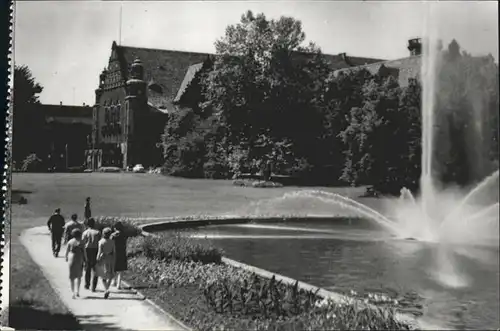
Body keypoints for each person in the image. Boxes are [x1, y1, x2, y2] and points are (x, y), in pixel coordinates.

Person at [65, 228, 86, 299]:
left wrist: (66, 257)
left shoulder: (70, 241)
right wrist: (86, 259)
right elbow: (84, 252)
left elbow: (67, 251)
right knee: (79, 276)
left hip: (71, 258)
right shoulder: (82, 242)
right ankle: (78, 291)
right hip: (79, 258)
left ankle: (72, 292)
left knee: (72, 277)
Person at [82, 218, 100, 292]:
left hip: (87, 250)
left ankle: (87, 284)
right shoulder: (98, 232)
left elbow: (83, 243)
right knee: (95, 269)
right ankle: (94, 286)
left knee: (87, 268)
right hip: (96, 250)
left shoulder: (85, 232)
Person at [96, 227, 115, 299]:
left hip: (103, 258)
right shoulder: (112, 242)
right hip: (110, 258)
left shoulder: (101, 242)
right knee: (110, 275)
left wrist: (97, 259)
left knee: (103, 276)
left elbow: (99, 252)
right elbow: (114, 252)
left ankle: (106, 289)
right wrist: (114, 259)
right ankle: (107, 288)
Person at [111, 222, 128, 290]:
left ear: (115, 228)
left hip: (115, 252)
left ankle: (113, 281)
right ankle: (119, 284)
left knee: (114, 268)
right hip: (122, 252)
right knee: (120, 270)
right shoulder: (124, 235)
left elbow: (111, 244)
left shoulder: (113, 235)